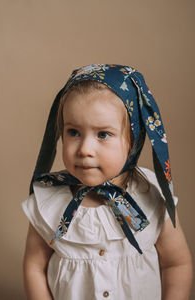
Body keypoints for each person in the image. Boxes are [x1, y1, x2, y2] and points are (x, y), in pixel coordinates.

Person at [22, 64, 193, 300]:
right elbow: (34, 268)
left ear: (133, 140)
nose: (84, 149)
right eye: (73, 132)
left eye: (103, 134)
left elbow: (177, 264)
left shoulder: (152, 196)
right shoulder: (48, 203)